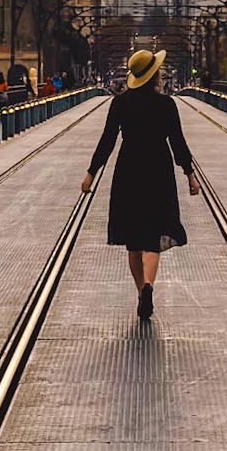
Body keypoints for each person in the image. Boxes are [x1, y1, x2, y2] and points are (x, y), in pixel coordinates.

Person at [81, 49, 198, 320]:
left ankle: (140, 289)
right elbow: (178, 142)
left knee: (133, 241)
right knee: (153, 238)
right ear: (155, 75)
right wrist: (189, 173)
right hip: (159, 170)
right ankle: (149, 285)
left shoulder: (120, 104)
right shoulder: (167, 105)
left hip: (129, 171)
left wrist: (91, 172)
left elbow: (107, 141)